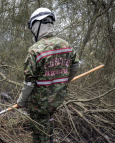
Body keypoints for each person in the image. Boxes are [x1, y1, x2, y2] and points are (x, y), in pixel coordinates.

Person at [16, 8, 80, 143]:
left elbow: (29, 82)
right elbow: (75, 66)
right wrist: (64, 81)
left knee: (40, 133)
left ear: (37, 25)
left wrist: (21, 101)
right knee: (49, 123)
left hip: (40, 104)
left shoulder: (35, 50)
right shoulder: (66, 45)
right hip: (57, 99)